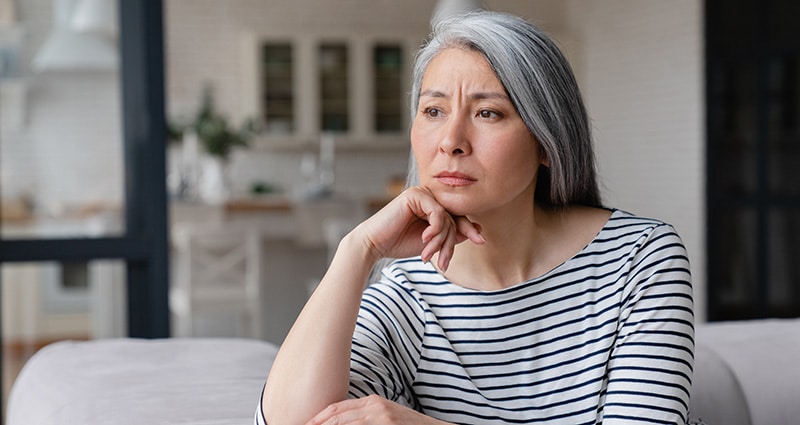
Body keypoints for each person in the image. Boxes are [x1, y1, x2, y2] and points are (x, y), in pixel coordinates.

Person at [257, 10, 694, 425]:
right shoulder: (410, 296)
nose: (451, 140)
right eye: (434, 111)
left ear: (547, 142)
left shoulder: (639, 259)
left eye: (488, 113)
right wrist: (358, 250)